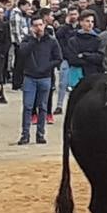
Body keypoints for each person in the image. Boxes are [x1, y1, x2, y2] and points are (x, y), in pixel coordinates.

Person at [16, 17, 62, 145]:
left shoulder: (52, 41)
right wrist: (33, 40)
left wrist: (46, 67)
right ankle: (25, 135)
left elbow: (58, 58)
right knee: (28, 106)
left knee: (43, 107)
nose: (38, 28)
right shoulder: (26, 40)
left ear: (45, 25)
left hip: (45, 77)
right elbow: (22, 53)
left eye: (40, 25)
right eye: (35, 25)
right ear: (31, 27)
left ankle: (40, 134)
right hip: (29, 77)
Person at [64, 12, 103, 90]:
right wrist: (91, 59)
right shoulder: (73, 40)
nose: (90, 24)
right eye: (87, 21)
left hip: (93, 75)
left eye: (92, 22)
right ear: (81, 22)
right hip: (77, 76)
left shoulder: (98, 39)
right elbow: (73, 60)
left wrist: (84, 55)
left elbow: (100, 58)